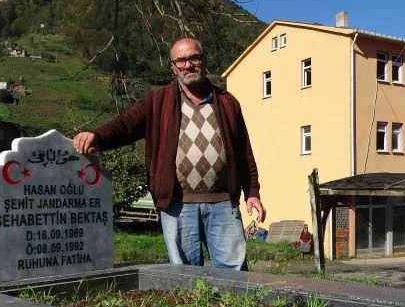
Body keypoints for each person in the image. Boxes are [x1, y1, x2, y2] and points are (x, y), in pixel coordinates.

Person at [73, 38, 265, 271]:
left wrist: (252, 191)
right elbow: (126, 125)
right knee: (184, 274)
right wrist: (98, 136)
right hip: (178, 204)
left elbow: (244, 151)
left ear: (203, 60)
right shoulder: (158, 101)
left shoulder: (227, 102)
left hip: (223, 203)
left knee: (233, 272)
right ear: (173, 66)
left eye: (193, 57)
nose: (188, 65)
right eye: (181, 60)